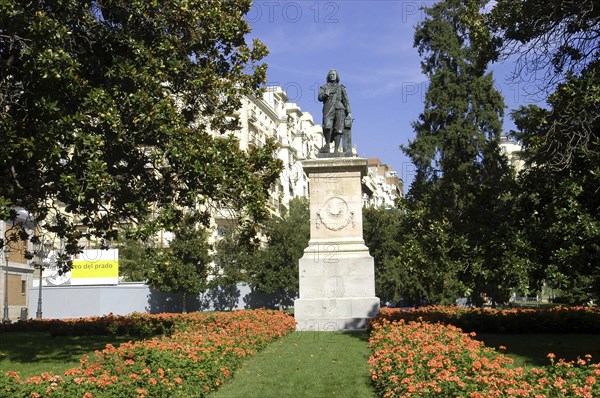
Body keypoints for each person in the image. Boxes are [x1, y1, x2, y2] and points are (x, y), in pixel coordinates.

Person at [318, 69, 352, 153]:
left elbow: (346, 100)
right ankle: (327, 146)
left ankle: (336, 149)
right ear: (328, 76)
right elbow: (319, 97)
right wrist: (326, 93)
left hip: (339, 108)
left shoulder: (341, 88)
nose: (332, 76)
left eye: (333, 74)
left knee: (339, 128)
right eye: (330, 74)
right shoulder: (324, 87)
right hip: (328, 108)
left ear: (337, 76)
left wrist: (349, 112)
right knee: (327, 126)